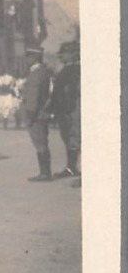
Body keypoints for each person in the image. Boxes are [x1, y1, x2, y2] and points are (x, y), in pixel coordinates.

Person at [19, 46, 54, 182]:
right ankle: (45, 172)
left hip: (36, 115)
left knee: (40, 143)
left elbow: (33, 97)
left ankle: (45, 173)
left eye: (28, 57)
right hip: (42, 113)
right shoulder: (44, 72)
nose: (26, 60)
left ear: (34, 58)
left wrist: (30, 116)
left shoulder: (35, 74)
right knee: (43, 142)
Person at [49, 40, 80, 181]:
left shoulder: (75, 70)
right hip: (64, 110)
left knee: (74, 138)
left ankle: (73, 168)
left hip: (71, 109)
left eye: (64, 53)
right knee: (67, 138)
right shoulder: (65, 70)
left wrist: (68, 108)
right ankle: (71, 167)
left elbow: (71, 92)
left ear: (72, 54)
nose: (61, 56)